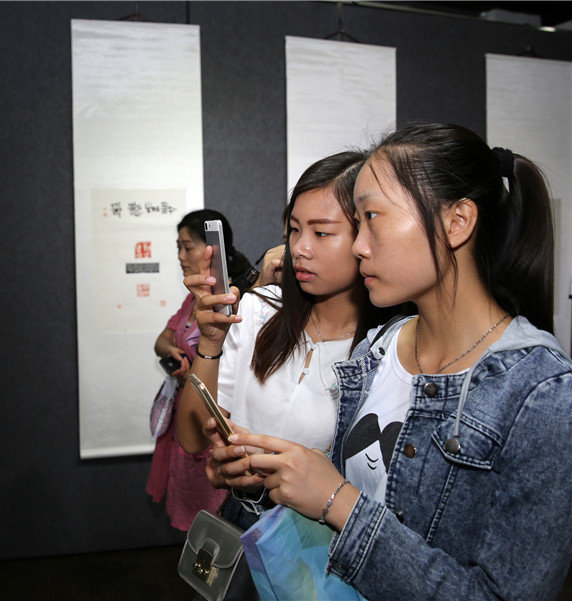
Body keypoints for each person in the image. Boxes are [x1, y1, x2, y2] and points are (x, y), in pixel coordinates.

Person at [227, 123, 572, 599]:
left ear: (457, 223)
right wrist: (268, 480)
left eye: (372, 217)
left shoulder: (541, 394)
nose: (358, 244)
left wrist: (338, 502)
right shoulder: (381, 348)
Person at [177, 150, 398, 534]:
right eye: (294, 230)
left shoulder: (384, 349)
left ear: (366, 236)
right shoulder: (260, 310)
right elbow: (192, 438)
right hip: (241, 524)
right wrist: (210, 343)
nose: (300, 248)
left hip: (320, 547)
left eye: (322, 232)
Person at [147, 209, 250, 530]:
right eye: (178, 247)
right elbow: (162, 339)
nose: (180, 256)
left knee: (215, 509)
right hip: (184, 413)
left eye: (187, 247)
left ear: (211, 252)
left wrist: (200, 363)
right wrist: (175, 353)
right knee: (189, 495)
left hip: (213, 420)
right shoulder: (194, 301)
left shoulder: (236, 302)